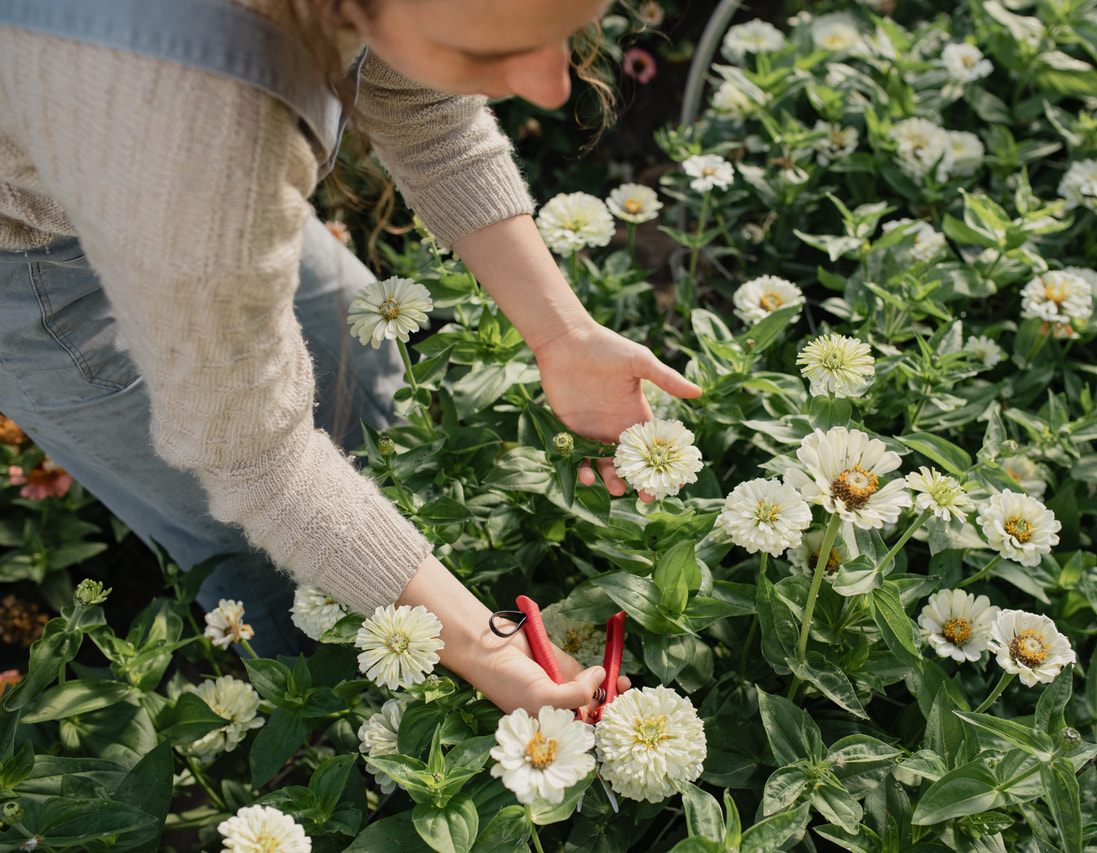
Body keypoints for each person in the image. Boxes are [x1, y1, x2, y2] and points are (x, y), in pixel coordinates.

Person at [0, 0, 701, 714]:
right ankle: (315, 718)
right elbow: (253, 463)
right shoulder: (205, 144)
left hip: (168, 165)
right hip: (44, 260)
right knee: (244, 543)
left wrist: (563, 335)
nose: (553, 86)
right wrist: (484, 646)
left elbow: (418, 96)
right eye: (496, 51)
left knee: (369, 384)